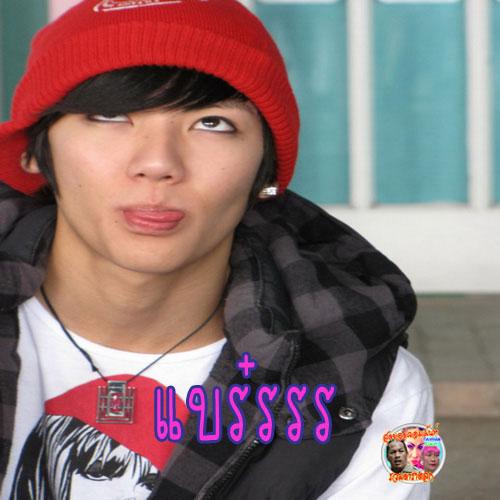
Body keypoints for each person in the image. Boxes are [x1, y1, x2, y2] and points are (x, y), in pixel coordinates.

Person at [0, 1, 433, 498]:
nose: (158, 163)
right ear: (34, 151)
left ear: (266, 171)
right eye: (110, 115)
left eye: (212, 123)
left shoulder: (383, 389)